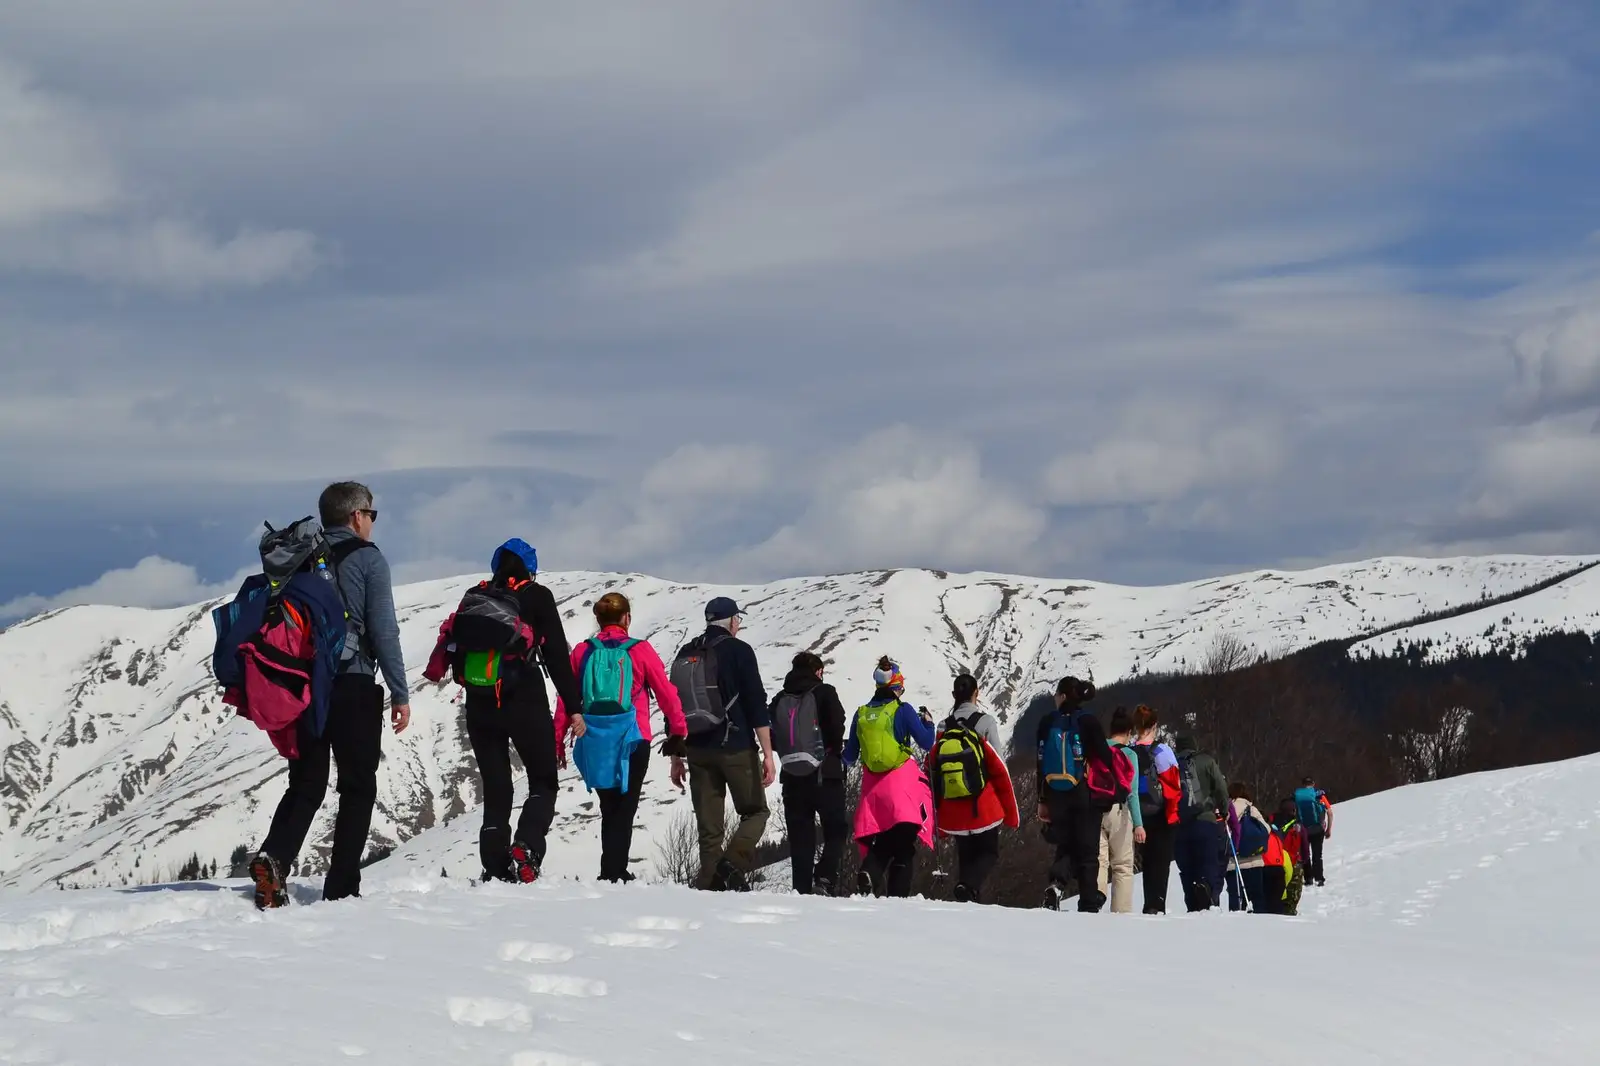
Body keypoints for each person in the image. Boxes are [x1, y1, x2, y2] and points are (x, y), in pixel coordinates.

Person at [252, 482, 411, 906]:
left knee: (306, 783)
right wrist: (400, 692)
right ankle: (342, 889)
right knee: (357, 786)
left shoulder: (300, 561)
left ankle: (275, 856)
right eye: (372, 515)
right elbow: (383, 629)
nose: (372, 523)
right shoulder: (368, 560)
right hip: (353, 682)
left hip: (305, 686)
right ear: (357, 515)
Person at [433, 539, 583, 884]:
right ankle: (527, 846)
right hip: (523, 697)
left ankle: (494, 867)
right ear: (530, 567)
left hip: (480, 699)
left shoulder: (476, 593)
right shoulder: (537, 596)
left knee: (497, 787)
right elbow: (557, 655)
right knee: (543, 781)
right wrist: (574, 709)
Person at [554, 591, 687, 883]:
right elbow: (666, 693)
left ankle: (610, 869)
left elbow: (566, 699)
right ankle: (614, 873)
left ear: (598, 620)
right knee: (625, 807)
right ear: (627, 618)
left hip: (594, 739)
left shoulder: (582, 651)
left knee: (609, 806)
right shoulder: (639, 650)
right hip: (633, 737)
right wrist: (678, 731)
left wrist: (558, 740)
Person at [670, 597, 774, 892]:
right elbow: (756, 703)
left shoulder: (687, 652)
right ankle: (731, 866)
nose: (738, 625)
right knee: (755, 811)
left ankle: (709, 887)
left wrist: (677, 757)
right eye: (738, 620)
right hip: (736, 746)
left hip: (696, 748)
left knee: (709, 829)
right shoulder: (740, 651)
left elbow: (675, 708)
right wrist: (767, 754)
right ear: (730, 621)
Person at [845, 657, 936, 898]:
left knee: (884, 842)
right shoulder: (902, 710)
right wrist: (930, 725)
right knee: (904, 848)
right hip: (901, 789)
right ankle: (898, 899)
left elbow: (850, 755)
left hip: (873, 791)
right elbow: (927, 743)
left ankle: (869, 872)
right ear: (896, 687)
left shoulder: (861, 713)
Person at [928, 674, 1019, 902]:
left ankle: (968, 896)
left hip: (953, 807)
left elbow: (934, 768)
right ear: (976, 693)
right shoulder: (985, 722)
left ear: (953, 696)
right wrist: (1008, 806)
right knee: (989, 852)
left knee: (966, 856)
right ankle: (967, 887)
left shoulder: (943, 726)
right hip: (982, 806)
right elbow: (998, 764)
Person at [769, 651, 850, 895]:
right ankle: (824, 878)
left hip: (792, 777)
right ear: (818, 671)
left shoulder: (779, 698)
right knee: (836, 829)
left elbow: (773, 736)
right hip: (825, 775)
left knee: (800, 837)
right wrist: (833, 750)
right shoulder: (825, 692)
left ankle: (801, 891)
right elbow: (837, 725)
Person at [1036, 676, 1114, 912]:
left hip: (1055, 792)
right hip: (1083, 791)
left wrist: (1042, 799)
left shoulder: (1047, 722)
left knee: (1066, 843)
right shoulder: (1088, 721)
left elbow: (1039, 763)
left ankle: (1057, 883)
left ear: (1062, 696)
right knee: (1088, 851)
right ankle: (1088, 903)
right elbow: (1105, 757)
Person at [1132, 705, 1181, 914]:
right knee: (1160, 864)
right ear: (1154, 725)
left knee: (1145, 865)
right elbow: (1174, 785)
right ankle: (1156, 904)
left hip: (1138, 818)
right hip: (1161, 817)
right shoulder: (1162, 751)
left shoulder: (1130, 751)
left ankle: (1148, 904)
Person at [1171, 734, 1229, 912]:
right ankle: (1206, 892)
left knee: (1187, 867)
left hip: (1180, 824)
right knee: (1208, 863)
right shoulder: (1207, 761)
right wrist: (1224, 810)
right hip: (1205, 820)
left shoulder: (1171, 764)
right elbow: (1221, 788)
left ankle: (1191, 901)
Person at [1100, 707, 1144, 914]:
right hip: (1120, 811)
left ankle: (1093, 907)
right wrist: (1139, 824)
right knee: (1123, 866)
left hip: (1095, 811)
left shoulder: (1098, 749)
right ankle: (1121, 915)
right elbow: (1132, 793)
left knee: (1098, 862)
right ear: (1128, 732)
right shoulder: (1129, 754)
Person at [1226, 783, 1281, 914]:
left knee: (1235, 897)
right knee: (1257, 897)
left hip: (1234, 863)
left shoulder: (1227, 808)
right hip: (1255, 860)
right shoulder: (1251, 809)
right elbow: (1266, 829)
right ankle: (1259, 924)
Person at [1295, 777, 1332, 886]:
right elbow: (1330, 813)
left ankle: (1308, 878)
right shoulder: (1319, 795)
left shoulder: (1297, 796)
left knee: (1305, 854)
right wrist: (1328, 829)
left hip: (1303, 830)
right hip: (1318, 829)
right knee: (1317, 854)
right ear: (1313, 783)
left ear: (1303, 784)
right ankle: (1319, 878)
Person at [1273, 799, 1305, 916]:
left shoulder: (1272, 820)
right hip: (1292, 860)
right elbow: (1304, 845)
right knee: (1293, 888)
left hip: (1274, 859)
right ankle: (1289, 910)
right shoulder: (1297, 824)